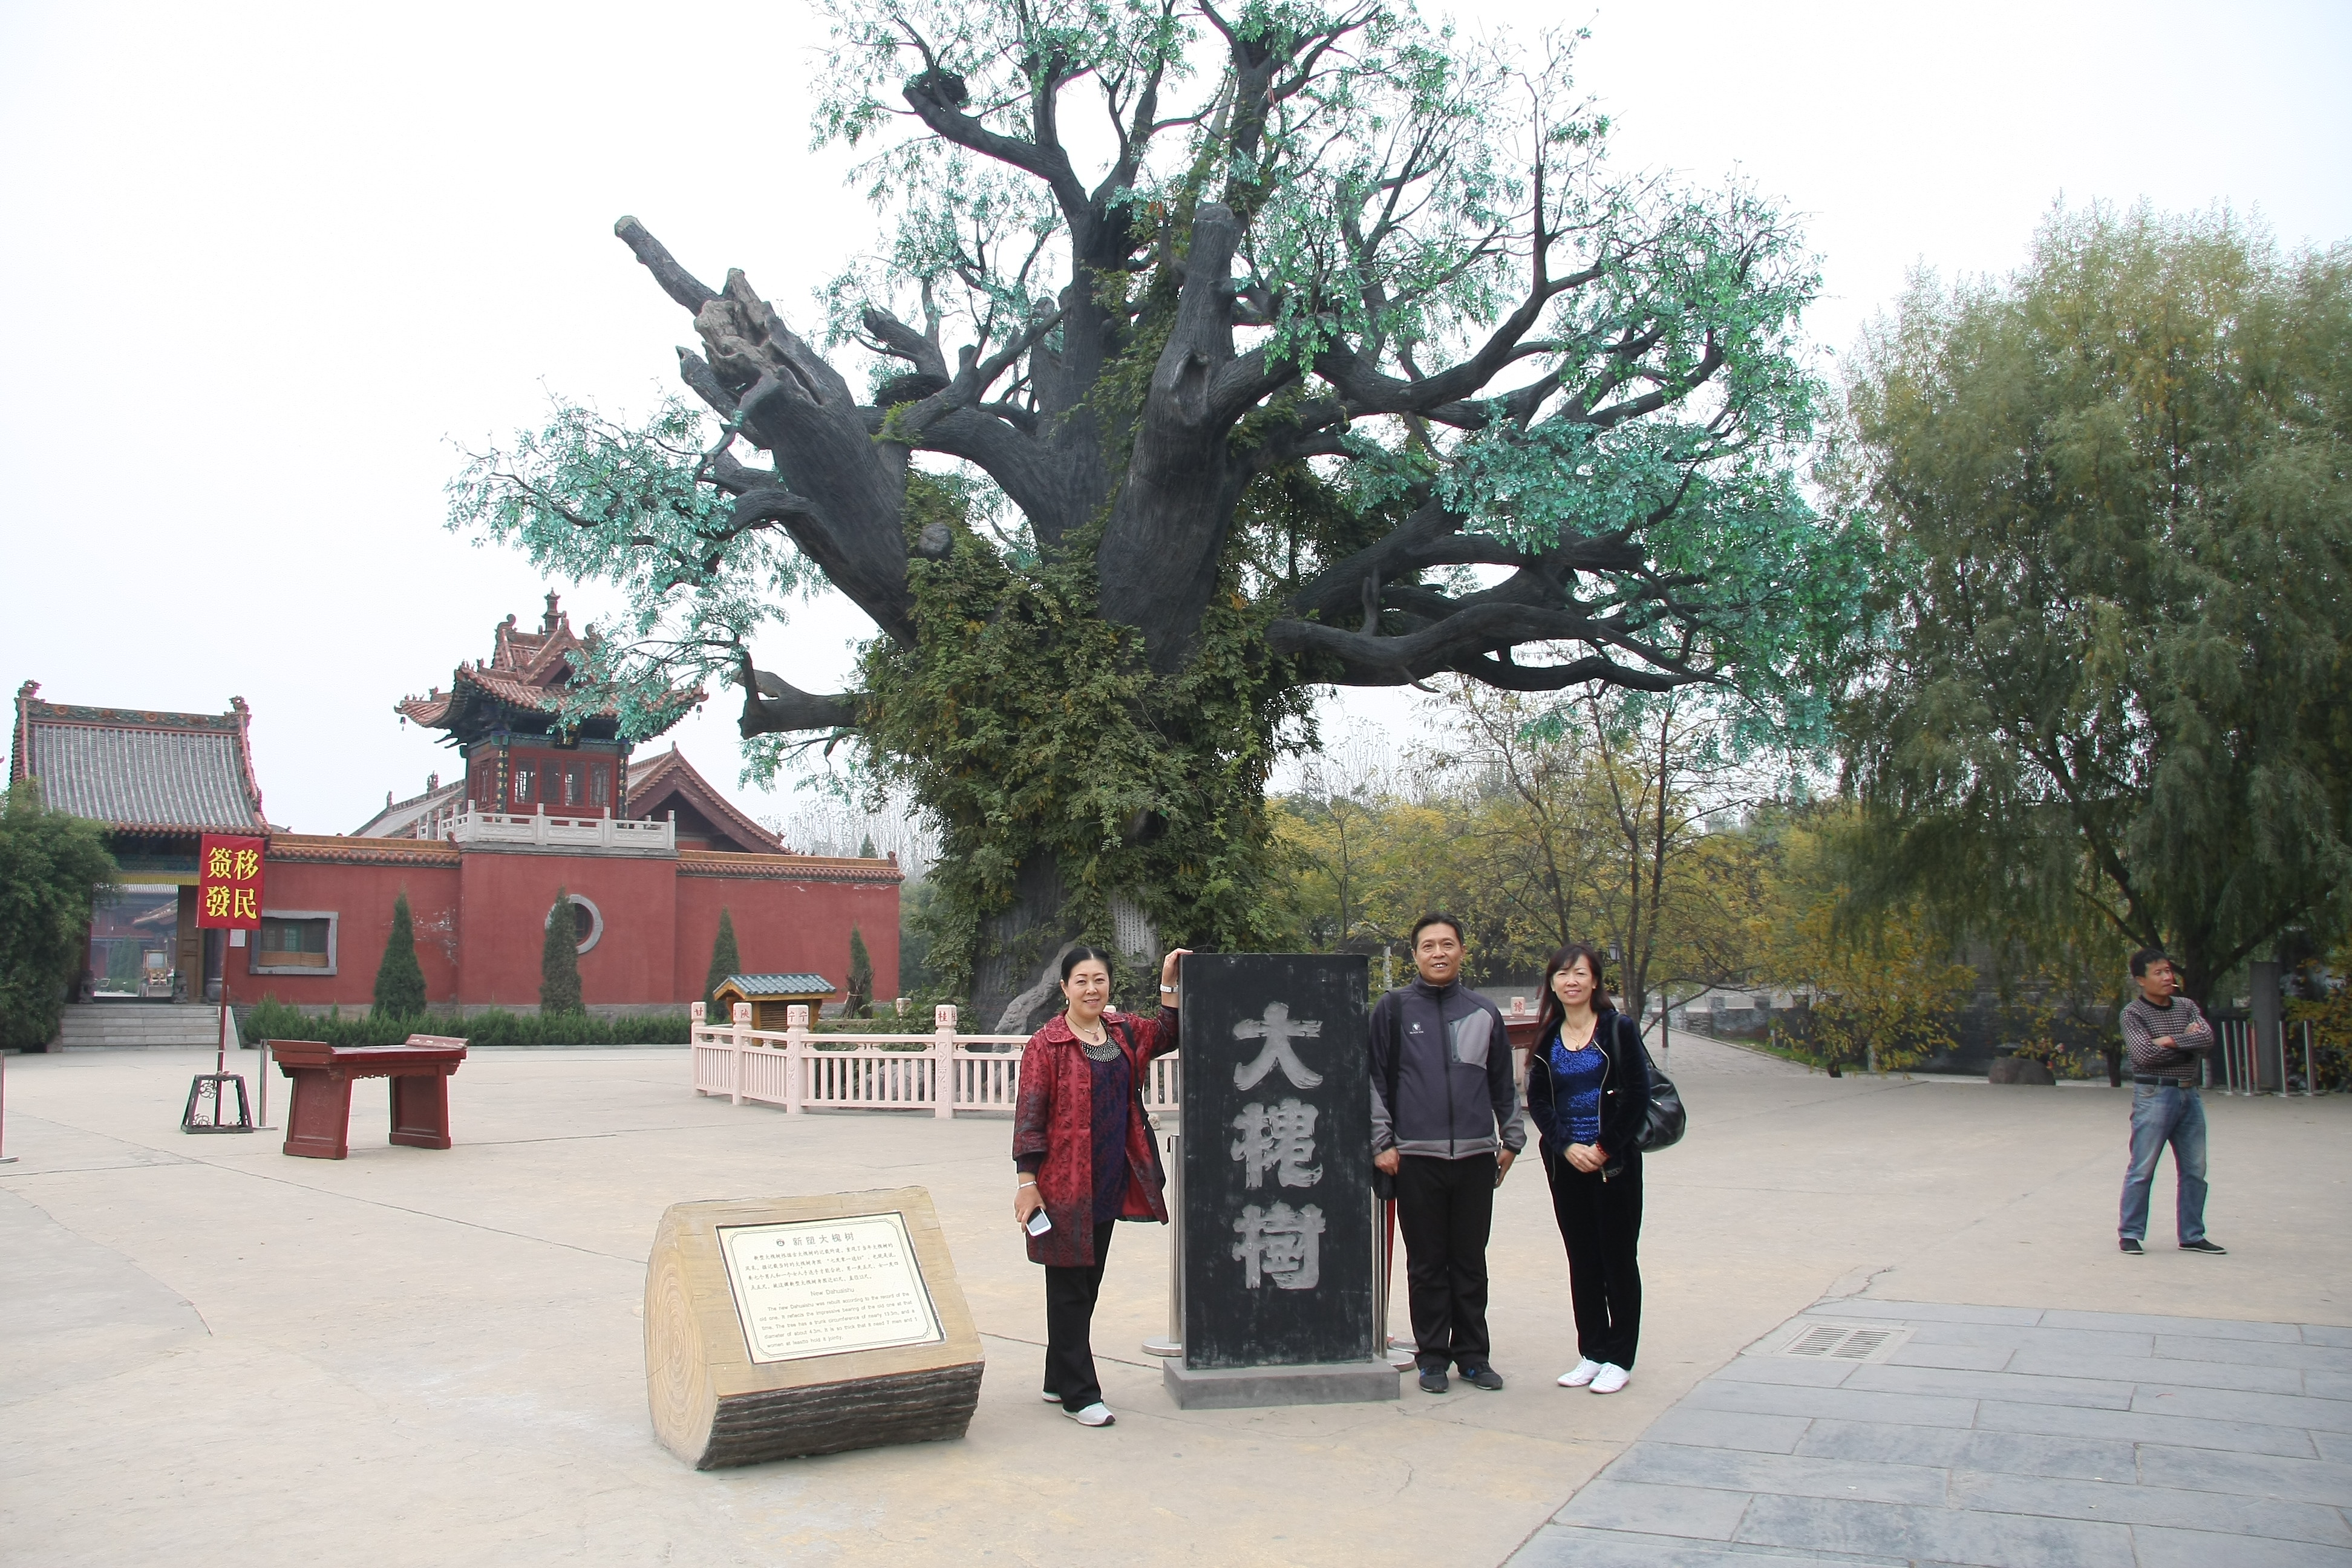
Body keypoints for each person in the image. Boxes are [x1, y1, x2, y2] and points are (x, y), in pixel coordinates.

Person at [1012, 943, 1191, 1425]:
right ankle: (1080, 1394)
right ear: (1065, 988)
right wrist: (1027, 1180)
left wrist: (1169, 980)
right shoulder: (1046, 1044)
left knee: (1086, 1284)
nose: (1092, 989)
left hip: (1111, 1175)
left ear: (1109, 984)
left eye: (1099, 980)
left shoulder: (1123, 1031)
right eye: (1081, 981)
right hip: (1064, 1183)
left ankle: (1057, 1376)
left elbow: (1171, 1032)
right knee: (1069, 1286)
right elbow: (1030, 1116)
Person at [1370, 913, 1526, 1394]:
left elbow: (1504, 1083)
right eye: (1428, 946)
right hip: (1416, 1158)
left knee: (1470, 1260)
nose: (1439, 953)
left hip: (1478, 1157)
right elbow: (1373, 1079)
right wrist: (1382, 1142)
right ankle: (1433, 1356)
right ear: (1415, 954)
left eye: (1448, 944)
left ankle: (1474, 1356)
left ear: (1462, 951)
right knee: (1427, 1262)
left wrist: (1512, 1139)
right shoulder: (1393, 1010)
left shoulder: (1484, 1012)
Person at [1523, 942, 1654, 1395]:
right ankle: (1592, 1351)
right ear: (1552, 984)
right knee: (1582, 1259)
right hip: (1566, 1166)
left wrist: (1602, 1147)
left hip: (1613, 1165)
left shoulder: (1618, 1029)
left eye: (1580, 973)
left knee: (1617, 1258)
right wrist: (1565, 1145)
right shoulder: (1547, 1036)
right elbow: (1538, 1100)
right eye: (1562, 974)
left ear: (1595, 980)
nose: (1571, 981)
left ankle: (1620, 1356)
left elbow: (1637, 1095)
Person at [2117, 947, 2224, 1256]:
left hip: (2190, 1094)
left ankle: (2192, 1235)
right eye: (2159, 973)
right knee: (2143, 1167)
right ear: (2141, 980)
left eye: (2169, 971)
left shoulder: (2187, 1006)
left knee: (2195, 1169)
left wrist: (2168, 1040)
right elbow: (2143, 1056)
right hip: (2154, 1095)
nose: (2168, 977)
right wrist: (2187, 1044)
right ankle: (2130, 1233)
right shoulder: (2133, 1013)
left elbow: (2207, 1039)